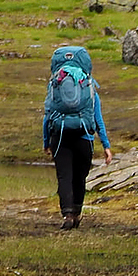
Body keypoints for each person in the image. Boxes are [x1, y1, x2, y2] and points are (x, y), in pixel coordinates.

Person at [41, 43, 110, 230]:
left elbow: (47, 115)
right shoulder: (88, 85)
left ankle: (67, 215)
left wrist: (46, 141)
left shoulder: (55, 83)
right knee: (80, 177)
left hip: (60, 136)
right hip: (84, 137)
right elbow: (98, 118)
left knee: (64, 176)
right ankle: (77, 214)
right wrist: (106, 145)